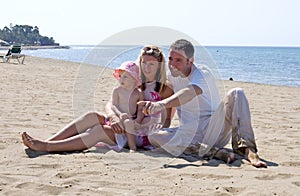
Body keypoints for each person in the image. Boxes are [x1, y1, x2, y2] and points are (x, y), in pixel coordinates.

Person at [139, 39, 267, 168]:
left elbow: (189, 92)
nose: (172, 64)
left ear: (190, 61)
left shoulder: (202, 73)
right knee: (154, 136)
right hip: (190, 133)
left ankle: (248, 150)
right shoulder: (171, 76)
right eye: (171, 59)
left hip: (214, 128)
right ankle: (214, 152)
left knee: (236, 93)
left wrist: (160, 105)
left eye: (178, 60)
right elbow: (168, 100)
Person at [21, 45, 173, 152]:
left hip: (138, 133)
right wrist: (113, 117)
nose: (147, 67)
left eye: (152, 64)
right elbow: (110, 103)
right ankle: (50, 141)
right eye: (144, 63)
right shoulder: (133, 80)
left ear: (159, 66)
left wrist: (143, 127)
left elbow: (166, 122)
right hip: (122, 120)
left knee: (99, 130)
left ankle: (48, 147)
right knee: (91, 116)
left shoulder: (164, 89)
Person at [108, 61, 144, 152]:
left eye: (125, 77)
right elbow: (113, 105)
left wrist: (138, 120)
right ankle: (133, 147)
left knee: (129, 122)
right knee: (127, 122)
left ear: (134, 79)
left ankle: (131, 144)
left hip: (131, 118)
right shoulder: (117, 91)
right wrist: (120, 114)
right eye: (120, 76)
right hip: (118, 118)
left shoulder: (139, 93)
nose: (121, 80)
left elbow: (140, 109)